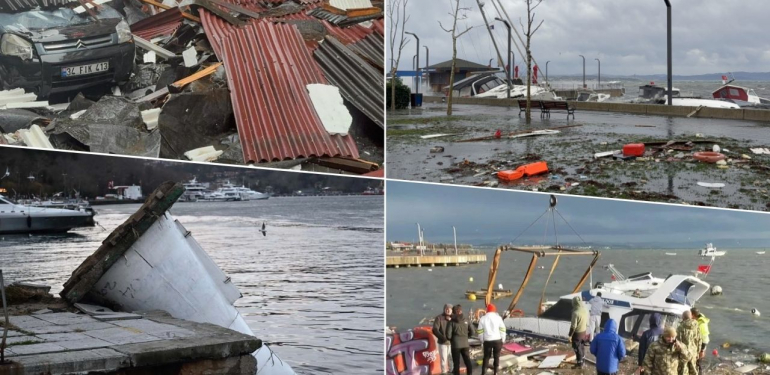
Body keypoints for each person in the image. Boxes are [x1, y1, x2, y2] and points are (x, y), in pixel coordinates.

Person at [477, 303, 506, 375]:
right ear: (494, 310)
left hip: (487, 341)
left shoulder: (482, 319)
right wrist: (503, 339)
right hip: (497, 340)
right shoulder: (498, 318)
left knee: (486, 357)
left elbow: (480, 331)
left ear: (487, 310)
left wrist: (482, 340)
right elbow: (503, 329)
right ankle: (495, 373)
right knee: (497, 357)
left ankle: (483, 372)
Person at [446, 304, 474, 375]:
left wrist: (452, 339)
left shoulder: (451, 322)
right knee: (467, 361)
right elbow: (473, 332)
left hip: (455, 345)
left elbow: (448, 335)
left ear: (454, 312)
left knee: (456, 363)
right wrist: (467, 336)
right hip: (465, 344)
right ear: (461, 311)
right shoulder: (467, 319)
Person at [676, 310, 702, 375]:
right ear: (691, 316)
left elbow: (678, 341)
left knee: (683, 371)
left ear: (683, 317)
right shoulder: (696, 325)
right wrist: (698, 352)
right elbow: (699, 340)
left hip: (684, 353)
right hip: (693, 352)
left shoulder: (680, 327)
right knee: (693, 370)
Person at [568, 296, 589, 368]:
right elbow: (587, 322)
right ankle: (583, 361)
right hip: (584, 332)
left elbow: (573, 326)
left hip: (577, 334)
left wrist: (570, 335)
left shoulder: (575, 313)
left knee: (577, 348)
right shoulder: (585, 310)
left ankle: (579, 364)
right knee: (582, 347)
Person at [432, 304, 453, 374]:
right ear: (444, 309)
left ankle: (452, 370)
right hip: (442, 343)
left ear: (452, 310)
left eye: (449, 309)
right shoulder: (439, 318)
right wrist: (443, 338)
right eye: (446, 308)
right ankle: (444, 372)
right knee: (444, 359)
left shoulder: (454, 318)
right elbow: (435, 330)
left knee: (451, 358)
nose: (448, 310)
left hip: (452, 342)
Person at [691, 308, 710, 375]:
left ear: (693, 315)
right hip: (699, 344)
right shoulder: (699, 319)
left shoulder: (702, 324)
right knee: (697, 362)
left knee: (698, 363)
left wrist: (702, 350)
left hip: (702, 344)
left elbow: (705, 337)